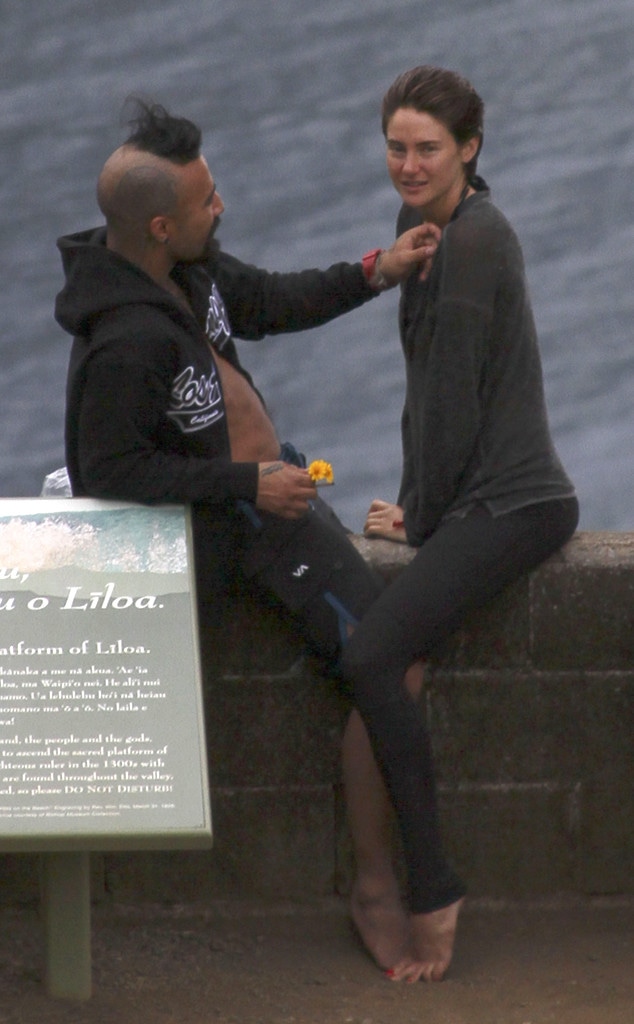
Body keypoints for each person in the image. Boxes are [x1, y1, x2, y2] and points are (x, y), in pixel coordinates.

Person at [54, 99, 442, 976]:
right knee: (396, 663)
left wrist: (377, 269)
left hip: (276, 502)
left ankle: (381, 881)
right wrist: (246, 485)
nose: (220, 207)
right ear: (162, 226)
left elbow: (269, 299)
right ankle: (381, 887)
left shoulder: (189, 275)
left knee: (397, 660)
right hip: (242, 532)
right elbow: (108, 473)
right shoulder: (121, 344)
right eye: (207, 202)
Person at [338, 65, 579, 983]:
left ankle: (432, 887)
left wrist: (425, 521)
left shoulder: (475, 245)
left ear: (468, 149)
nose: (406, 164)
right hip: (468, 500)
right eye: (396, 146)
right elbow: (427, 393)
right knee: (386, 662)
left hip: (516, 504)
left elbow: (452, 412)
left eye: (426, 148)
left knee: (368, 656)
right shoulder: (422, 230)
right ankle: (377, 888)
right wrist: (420, 506)